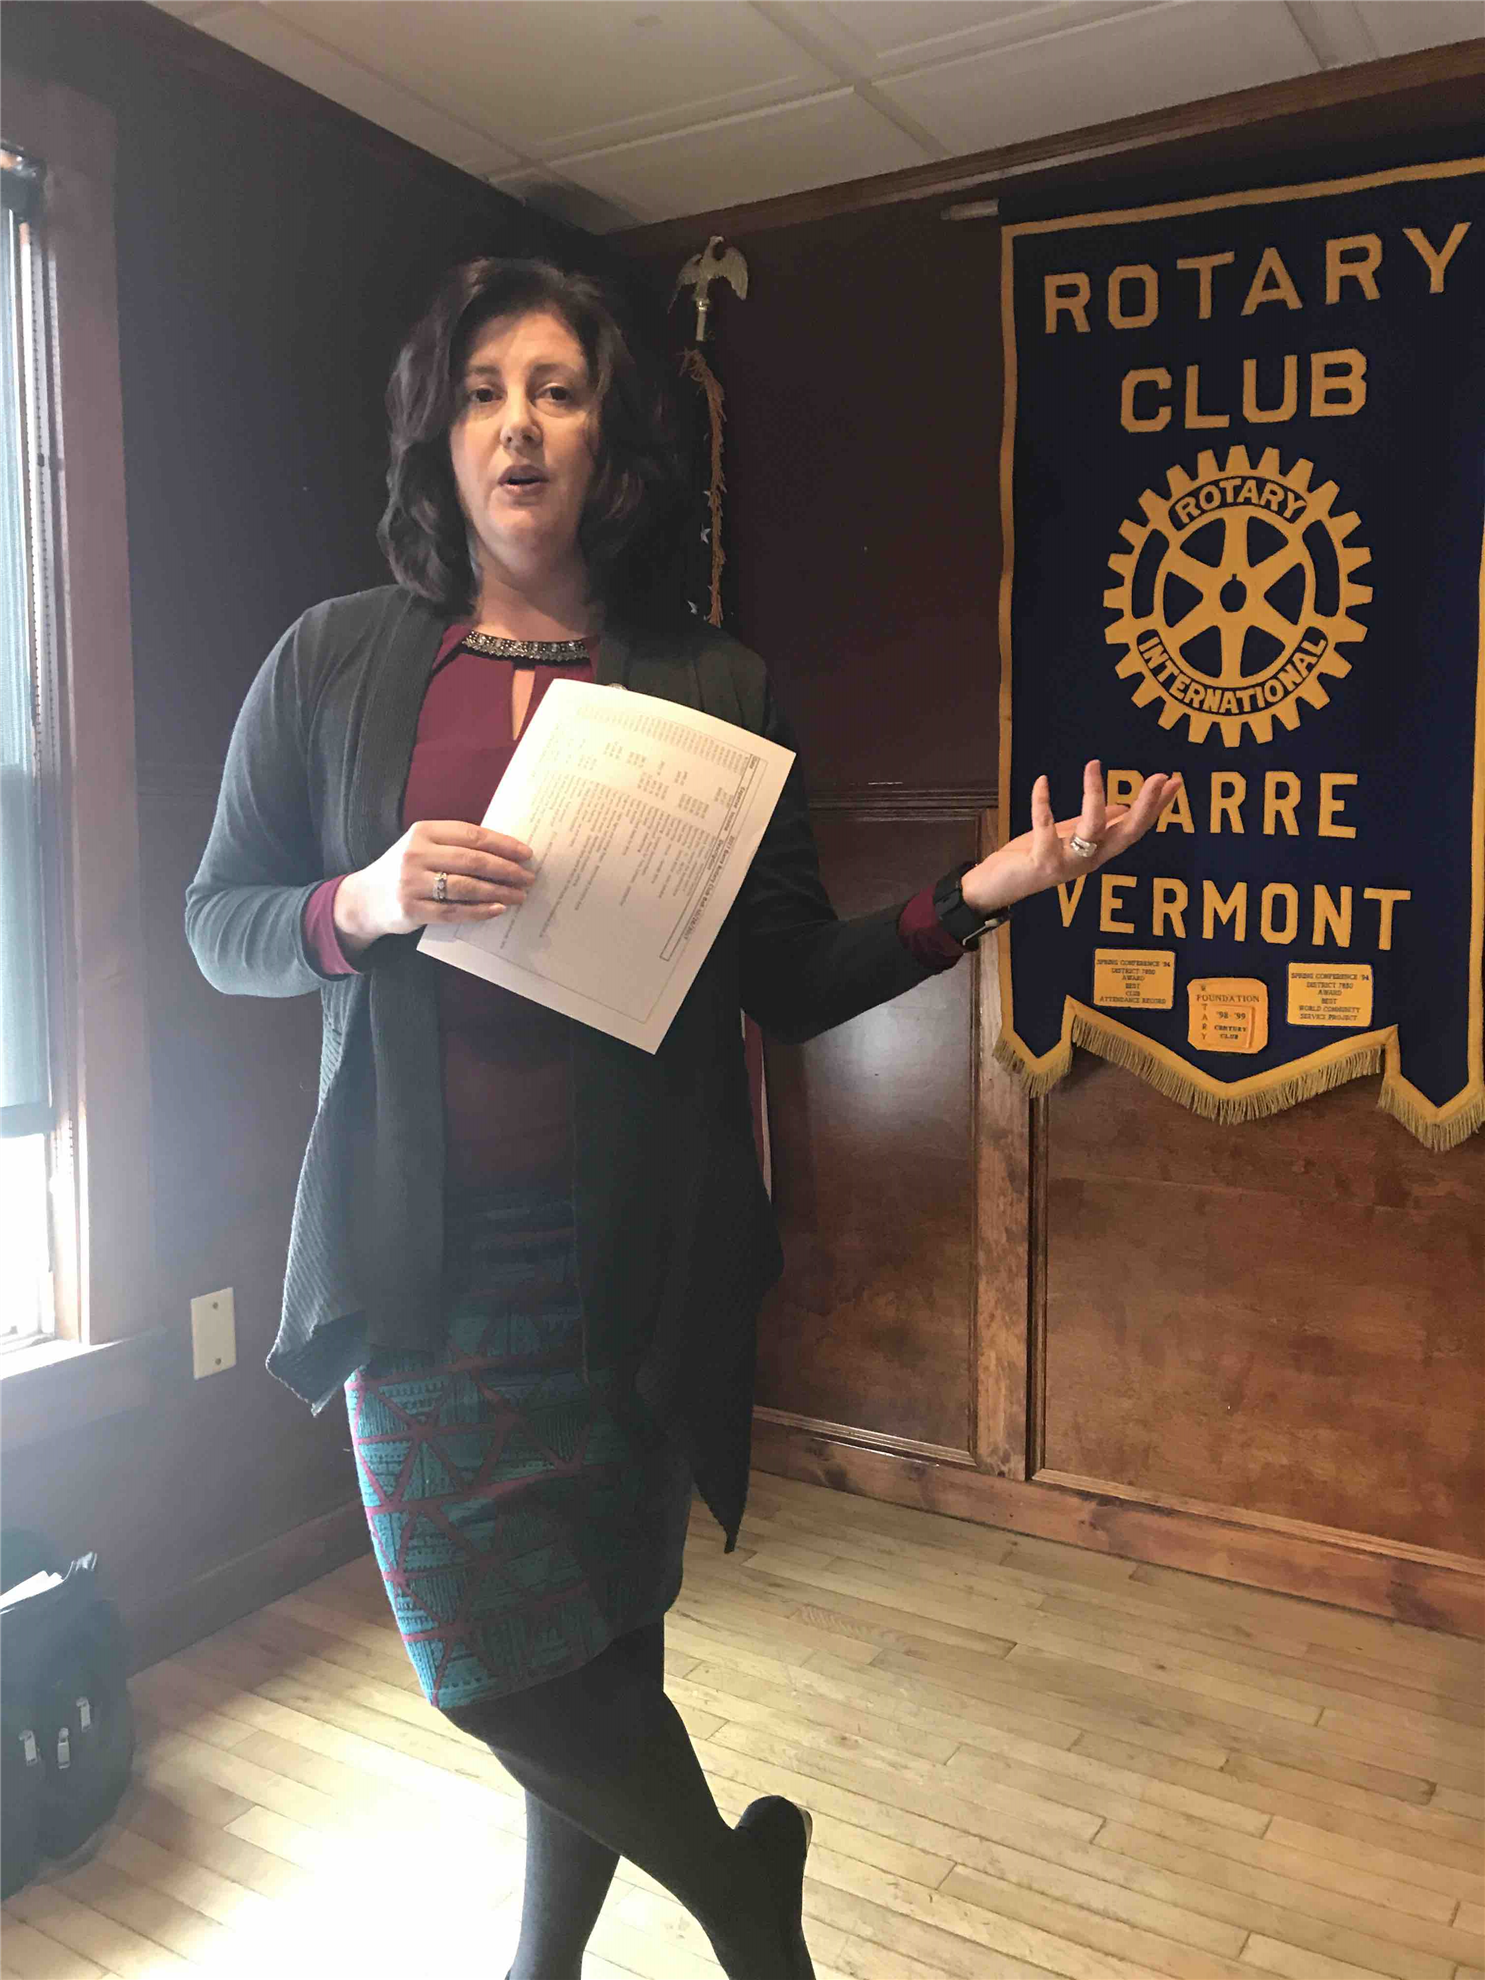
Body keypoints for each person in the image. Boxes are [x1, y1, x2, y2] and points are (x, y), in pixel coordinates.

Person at [185, 256, 1180, 1980]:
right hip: (418, 1260)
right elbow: (221, 922)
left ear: (610, 438)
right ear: (438, 437)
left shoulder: (714, 686)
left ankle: (542, 1969)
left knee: (603, 1638)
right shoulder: (333, 662)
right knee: (482, 1659)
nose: (518, 425)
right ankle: (744, 1902)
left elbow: (788, 979)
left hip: (636, 1259)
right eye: (483, 391)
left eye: (556, 390)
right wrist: (361, 898)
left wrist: (991, 887)